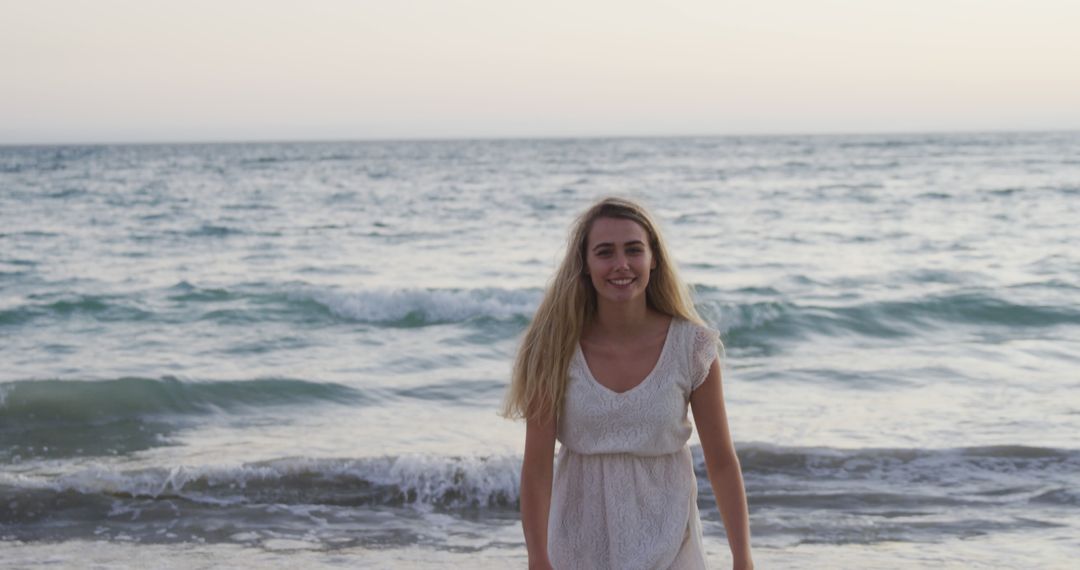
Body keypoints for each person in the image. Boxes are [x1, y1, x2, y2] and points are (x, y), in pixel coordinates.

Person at [502, 197, 753, 569]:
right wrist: (537, 558)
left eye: (633, 250)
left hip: (670, 545)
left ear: (654, 258)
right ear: (585, 265)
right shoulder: (553, 348)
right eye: (605, 252)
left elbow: (721, 462)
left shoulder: (692, 347)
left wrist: (742, 557)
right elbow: (537, 468)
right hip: (578, 547)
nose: (621, 264)